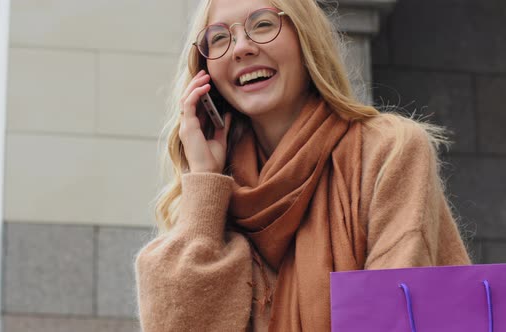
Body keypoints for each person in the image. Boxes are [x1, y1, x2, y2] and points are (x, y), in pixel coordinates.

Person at [134, 0, 472, 331]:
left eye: (263, 25)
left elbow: (392, 311)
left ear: (305, 38)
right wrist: (204, 185)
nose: (241, 48)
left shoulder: (388, 150)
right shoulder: (218, 187)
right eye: (219, 38)